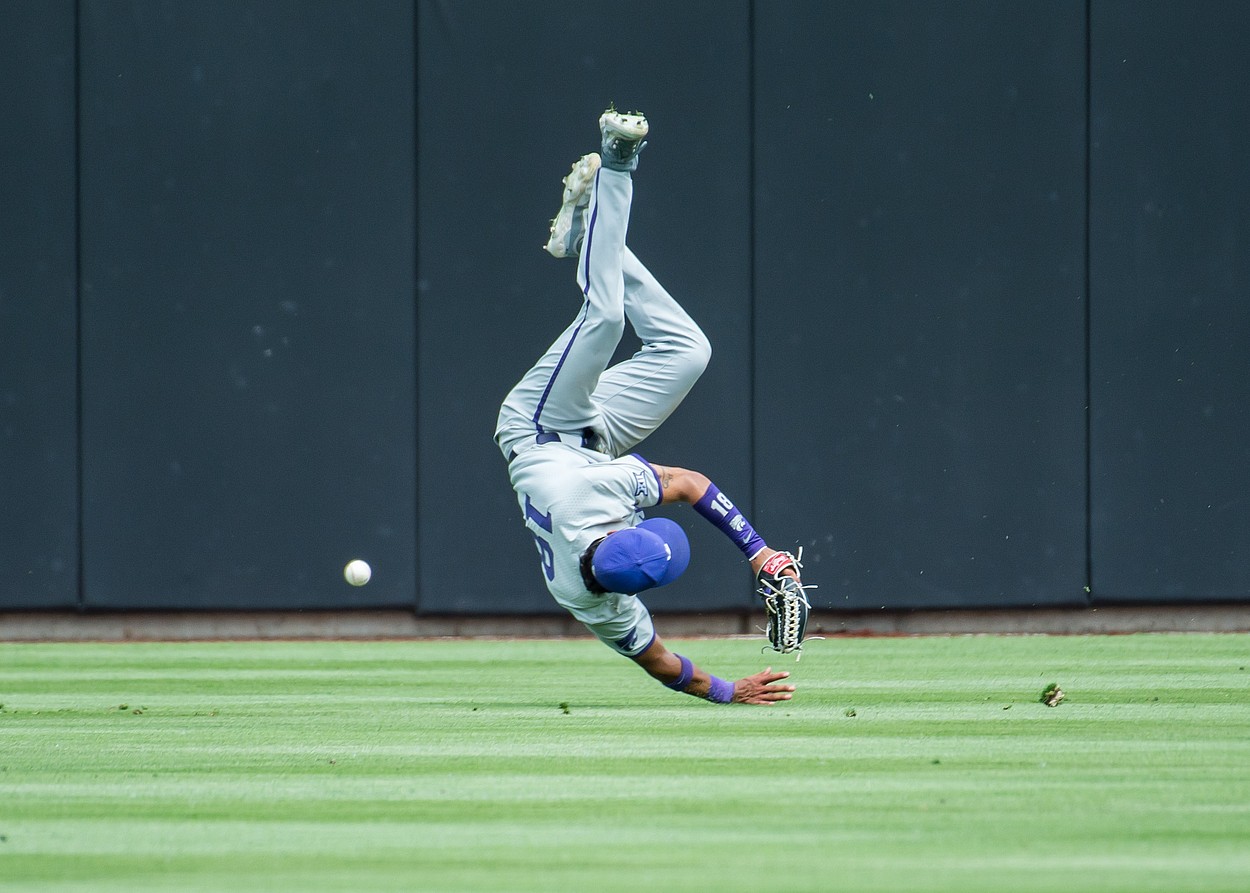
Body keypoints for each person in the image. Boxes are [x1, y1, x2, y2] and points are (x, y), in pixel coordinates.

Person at [494, 108, 797, 706]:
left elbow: (687, 484)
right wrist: (728, 692)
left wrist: (759, 553)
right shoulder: (597, 603)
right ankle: (587, 235)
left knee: (603, 319)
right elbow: (661, 663)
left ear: (615, 536)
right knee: (688, 351)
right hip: (593, 443)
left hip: (537, 425)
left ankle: (617, 160)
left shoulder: (594, 502)